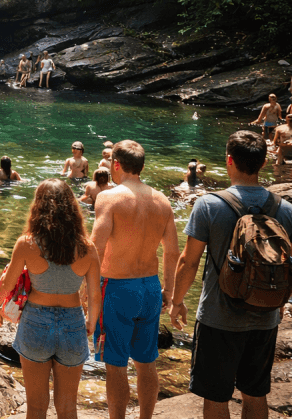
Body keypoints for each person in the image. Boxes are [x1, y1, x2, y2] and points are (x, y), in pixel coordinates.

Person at [170, 130, 292, 419]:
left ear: (229, 161)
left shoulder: (209, 205)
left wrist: (177, 302)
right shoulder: (286, 209)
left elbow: (187, 262)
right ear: (263, 163)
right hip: (265, 318)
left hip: (219, 318)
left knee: (215, 397)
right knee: (256, 393)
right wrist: (281, 302)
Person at [0, 179, 101, 419]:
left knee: (37, 408)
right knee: (68, 408)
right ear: (72, 208)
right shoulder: (88, 248)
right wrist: (91, 321)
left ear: (38, 207)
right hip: (73, 324)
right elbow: (94, 294)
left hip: (36, 322)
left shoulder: (27, 244)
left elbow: (8, 284)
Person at [90, 140, 179, 419]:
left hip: (116, 288)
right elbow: (173, 252)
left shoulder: (109, 198)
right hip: (150, 287)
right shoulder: (162, 201)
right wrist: (169, 290)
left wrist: (88, 292)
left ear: (116, 165)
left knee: (115, 365)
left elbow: (96, 247)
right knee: (146, 362)